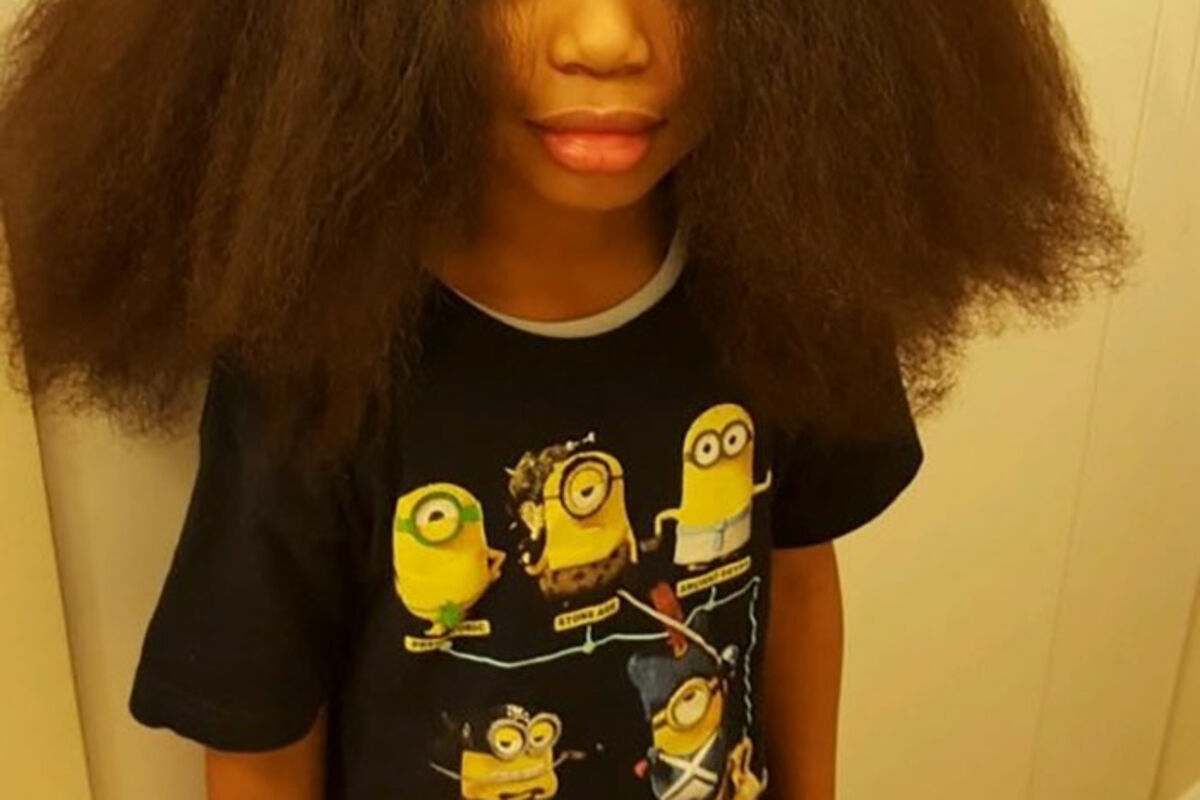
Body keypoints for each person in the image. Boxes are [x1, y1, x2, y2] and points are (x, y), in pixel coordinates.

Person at [0, 0, 1132, 798]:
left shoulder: (792, 288)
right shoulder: (319, 361)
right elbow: (258, 728)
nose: (605, 37)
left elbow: (795, 576)